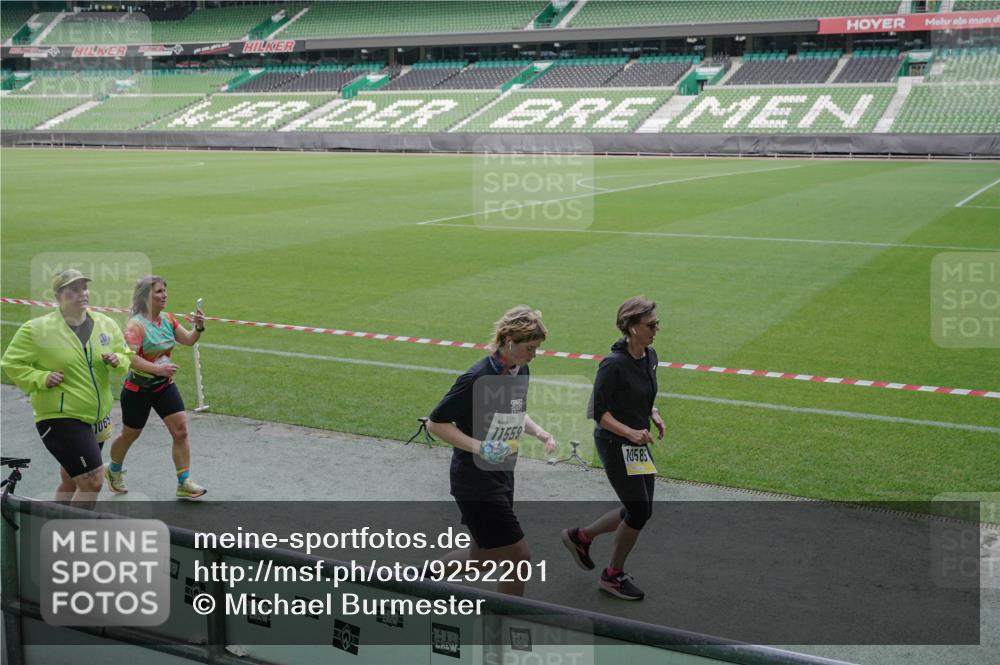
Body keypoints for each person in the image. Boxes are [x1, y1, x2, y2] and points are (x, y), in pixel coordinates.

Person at [427, 306, 557, 596]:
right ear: (509, 340)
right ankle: (501, 630)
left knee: (483, 558)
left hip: (501, 475)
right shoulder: (476, 377)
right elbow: (437, 423)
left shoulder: (520, 370)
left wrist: (539, 432)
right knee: (518, 557)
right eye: (530, 348)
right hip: (474, 481)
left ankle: (413, 582)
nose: (534, 355)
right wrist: (481, 447)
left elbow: (514, 411)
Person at [562, 296, 665, 601]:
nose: (656, 329)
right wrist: (631, 432)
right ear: (632, 328)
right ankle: (612, 576)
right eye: (651, 325)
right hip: (614, 443)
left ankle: (580, 537)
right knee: (639, 509)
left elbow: (642, 394)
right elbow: (599, 413)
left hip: (636, 441)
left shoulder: (649, 356)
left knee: (639, 508)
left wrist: (653, 412)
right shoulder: (612, 365)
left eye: (657, 323)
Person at [1, 269, 132, 505]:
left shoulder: (106, 323)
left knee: (72, 480)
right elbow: (10, 362)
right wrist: (40, 377)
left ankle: (52, 527)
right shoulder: (37, 329)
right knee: (92, 481)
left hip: (97, 417)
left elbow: (125, 355)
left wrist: (118, 360)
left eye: (84, 288)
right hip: (59, 417)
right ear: (59, 296)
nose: (82, 293)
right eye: (73, 289)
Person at [104, 276, 207, 500]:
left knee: (180, 430)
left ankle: (184, 482)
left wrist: (198, 327)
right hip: (137, 389)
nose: (164, 295)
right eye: (159, 292)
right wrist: (158, 369)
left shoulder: (168, 319)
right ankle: (112, 470)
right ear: (145, 297)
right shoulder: (136, 325)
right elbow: (129, 358)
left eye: (165, 291)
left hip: (163, 386)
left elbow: (188, 340)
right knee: (130, 435)